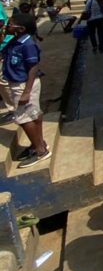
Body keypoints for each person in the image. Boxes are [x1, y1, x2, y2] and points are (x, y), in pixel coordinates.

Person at [0, 14, 49, 168]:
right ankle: (38, 144)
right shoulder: (15, 41)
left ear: (20, 29)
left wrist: (26, 92)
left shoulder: (28, 45)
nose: (7, 25)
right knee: (33, 115)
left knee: (23, 118)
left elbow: (33, 67)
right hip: (17, 84)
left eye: (10, 24)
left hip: (24, 85)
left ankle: (41, 151)